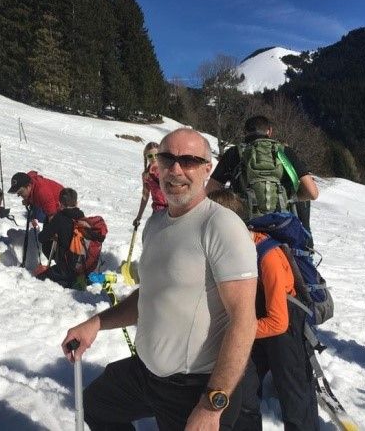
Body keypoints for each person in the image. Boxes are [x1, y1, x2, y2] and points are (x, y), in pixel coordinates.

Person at [61, 128, 258, 431]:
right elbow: (150, 295)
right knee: (97, 406)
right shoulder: (156, 225)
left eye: (189, 160)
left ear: (207, 169)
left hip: (194, 388)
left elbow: (243, 320)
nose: (176, 169)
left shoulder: (221, 225)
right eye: (167, 159)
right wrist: (96, 323)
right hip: (146, 374)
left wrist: (212, 404)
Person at [208, 190, 319, 431]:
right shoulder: (231, 250)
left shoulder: (268, 255)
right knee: (243, 390)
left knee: (295, 397)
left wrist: (237, 331)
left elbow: (278, 321)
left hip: (286, 327)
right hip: (256, 323)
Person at [205, 115, 318, 233]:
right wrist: (288, 197)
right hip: (280, 227)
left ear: (244, 132)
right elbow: (312, 193)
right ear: (270, 131)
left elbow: (210, 192)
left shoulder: (233, 153)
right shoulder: (284, 152)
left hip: (243, 228)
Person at [35, 188, 85, 288]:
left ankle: (68, 281)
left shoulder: (60, 217)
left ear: (60, 203)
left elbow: (42, 238)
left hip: (65, 268)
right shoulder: (81, 216)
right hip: (81, 265)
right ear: (76, 203)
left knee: (38, 278)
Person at [132, 142, 168, 227]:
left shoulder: (168, 170)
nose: (154, 158)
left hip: (173, 210)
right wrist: (139, 216)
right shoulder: (146, 176)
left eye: (156, 155)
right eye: (150, 156)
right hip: (158, 211)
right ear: (146, 157)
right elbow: (145, 196)